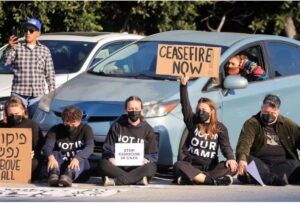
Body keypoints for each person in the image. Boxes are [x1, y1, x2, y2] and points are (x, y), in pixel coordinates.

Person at [173, 75, 237, 185]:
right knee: (179, 165)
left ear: (212, 111)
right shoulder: (193, 122)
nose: (201, 112)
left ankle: (195, 179)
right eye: (199, 110)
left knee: (231, 167)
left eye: (204, 110)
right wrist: (183, 85)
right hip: (192, 165)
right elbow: (185, 105)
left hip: (211, 167)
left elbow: (225, 146)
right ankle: (212, 181)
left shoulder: (220, 128)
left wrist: (231, 158)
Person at [236, 94, 300, 186]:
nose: (269, 115)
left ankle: (271, 178)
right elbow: (244, 143)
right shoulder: (252, 123)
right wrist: (242, 159)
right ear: (262, 108)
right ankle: (272, 179)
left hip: (282, 164)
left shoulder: (287, 124)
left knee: (296, 165)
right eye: (266, 112)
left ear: (278, 111)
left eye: (273, 113)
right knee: (248, 159)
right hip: (261, 163)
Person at [98, 96, 158, 186]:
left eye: (136, 108)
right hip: (118, 166)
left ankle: (115, 181)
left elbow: (153, 154)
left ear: (141, 109)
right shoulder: (117, 126)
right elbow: (107, 148)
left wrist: (146, 159)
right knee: (102, 164)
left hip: (138, 167)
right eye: (131, 109)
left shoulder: (148, 129)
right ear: (125, 110)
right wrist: (110, 157)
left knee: (151, 167)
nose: (134, 111)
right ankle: (136, 179)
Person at [1, 18, 55, 117]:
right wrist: (9, 47)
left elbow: (50, 73)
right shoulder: (17, 48)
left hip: (37, 96)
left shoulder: (44, 50)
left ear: (38, 33)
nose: (28, 33)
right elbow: (5, 62)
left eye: (31, 30)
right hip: (18, 94)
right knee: (17, 124)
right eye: (26, 30)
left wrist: (52, 94)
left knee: (34, 124)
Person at [43, 106, 94, 187]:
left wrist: (77, 158)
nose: (70, 125)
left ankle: (69, 176)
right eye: (67, 122)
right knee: (55, 153)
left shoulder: (86, 129)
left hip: (78, 168)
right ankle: (54, 174)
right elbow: (47, 147)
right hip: (60, 164)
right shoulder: (56, 129)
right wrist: (50, 157)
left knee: (82, 156)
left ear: (79, 121)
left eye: (73, 123)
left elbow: (90, 147)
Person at [0, 96, 45, 181]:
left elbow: (39, 146)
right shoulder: (1, 125)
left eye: (17, 114)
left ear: (23, 111)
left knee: (35, 162)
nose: (14, 117)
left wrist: (33, 153)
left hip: (26, 160)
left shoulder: (32, 125)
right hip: (5, 163)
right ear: (6, 113)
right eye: (11, 115)